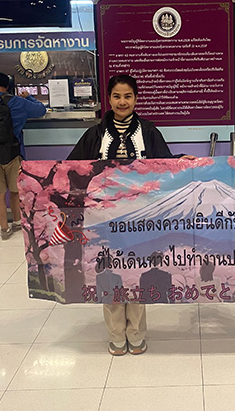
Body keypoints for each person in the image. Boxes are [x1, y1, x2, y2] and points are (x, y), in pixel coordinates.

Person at [68, 74, 174, 356]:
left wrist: (184, 161)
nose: (122, 102)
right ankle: (116, 334)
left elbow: (165, 165)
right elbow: (72, 167)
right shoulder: (94, 134)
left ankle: (136, 333)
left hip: (140, 218)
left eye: (128, 96)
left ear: (136, 98)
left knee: (136, 272)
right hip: (103, 219)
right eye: (117, 96)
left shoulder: (149, 132)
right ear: (109, 99)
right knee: (109, 272)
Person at [0, 72, 47, 240]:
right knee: (15, 191)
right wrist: (29, 97)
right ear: (8, 86)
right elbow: (41, 110)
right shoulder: (18, 102)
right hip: (12, 153)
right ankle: (17, 222)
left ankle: (4, 229)